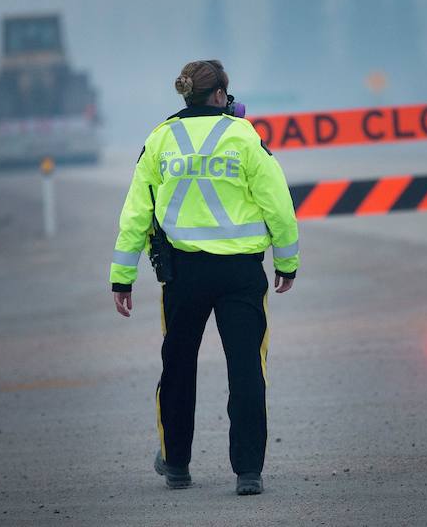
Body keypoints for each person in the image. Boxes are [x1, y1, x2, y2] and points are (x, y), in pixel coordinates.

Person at [109, 60, 299, 495]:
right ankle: (248, 472)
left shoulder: (159, 139)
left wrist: (122, 278)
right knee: (247, 369)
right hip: (240, 274)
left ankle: (176, 465)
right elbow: (278, 204)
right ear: (219, 96)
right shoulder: (245, 136)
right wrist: (286, 262)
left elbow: (136, 213)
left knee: (177, 368)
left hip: (182, 275)